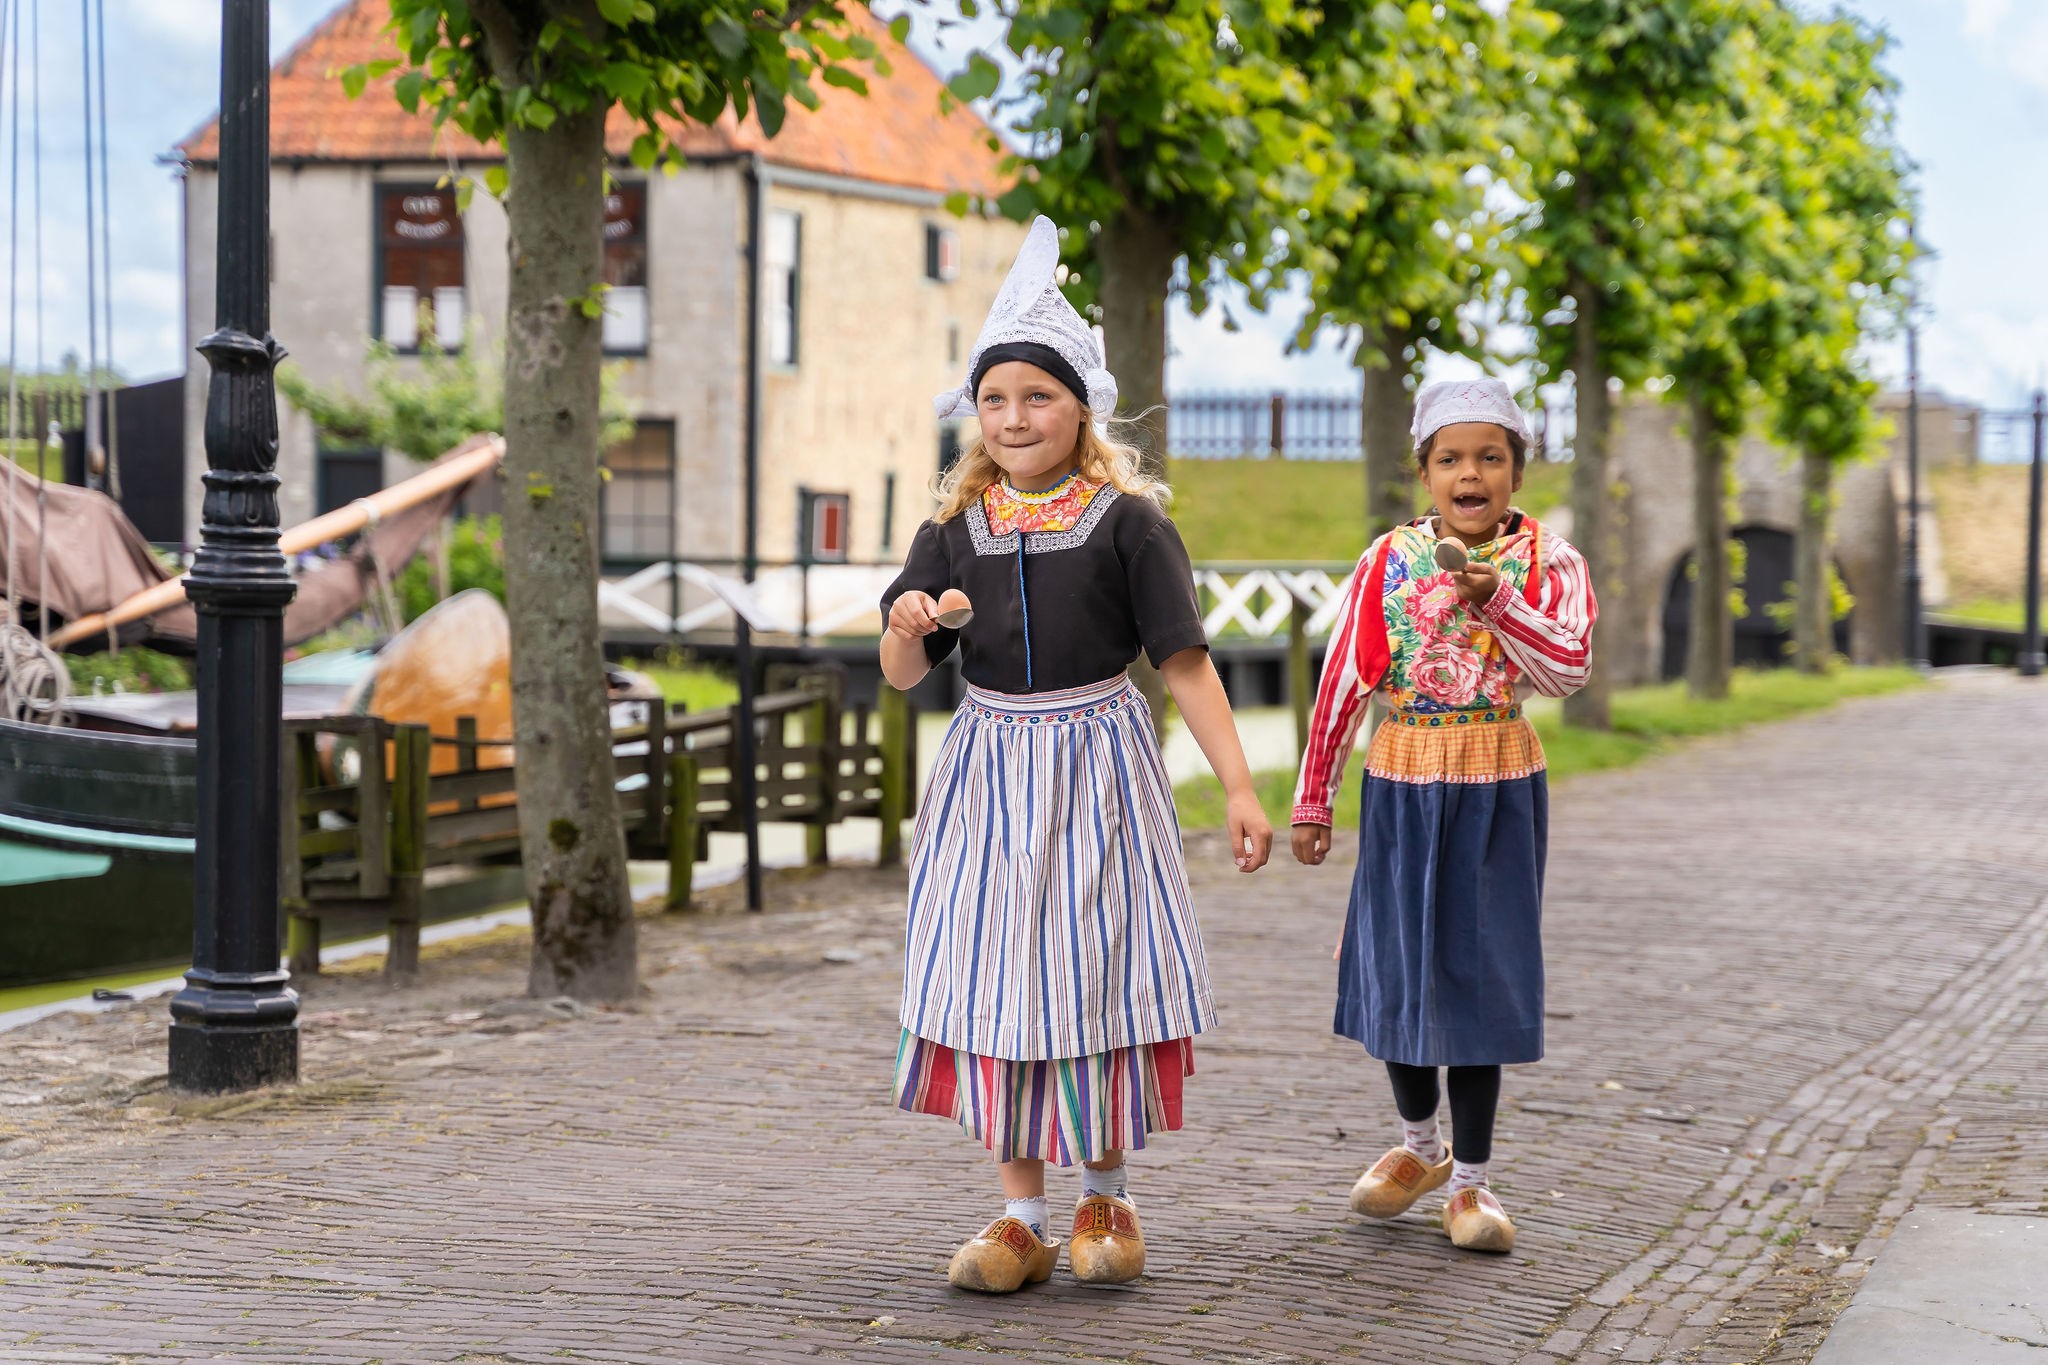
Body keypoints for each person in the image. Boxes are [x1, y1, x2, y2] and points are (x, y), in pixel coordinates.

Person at [880, 216, 1273, 1293]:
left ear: (1082, 407)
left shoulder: (1126, 523)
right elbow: (904, 674)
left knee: (1093, 966)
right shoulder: (951, 528)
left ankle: (1106, 1193)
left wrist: (1239, 788)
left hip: (1097, 765)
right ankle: (1019, 1213)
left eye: (1038, 396)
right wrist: (908, 625)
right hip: (987, 771)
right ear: (974, 411)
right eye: (995, 398)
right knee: (997, 973)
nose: (1014, 417)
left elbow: (1185, 664)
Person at [1290, 377, 1597, 1253]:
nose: (1471, 474)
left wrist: (1495, 599)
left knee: (1481, 969)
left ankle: (1472, 1182)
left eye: (1490, 457)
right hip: (1404, 774)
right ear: (1424, 472)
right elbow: (1343, 678)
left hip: (1499, 778)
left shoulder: (1548, 561)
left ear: (1516, 472)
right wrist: (1315, 796)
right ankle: (1420, 1144)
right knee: (1398, 960)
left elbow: (1567, 668)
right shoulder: (1387, 560)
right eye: (1451, 458)